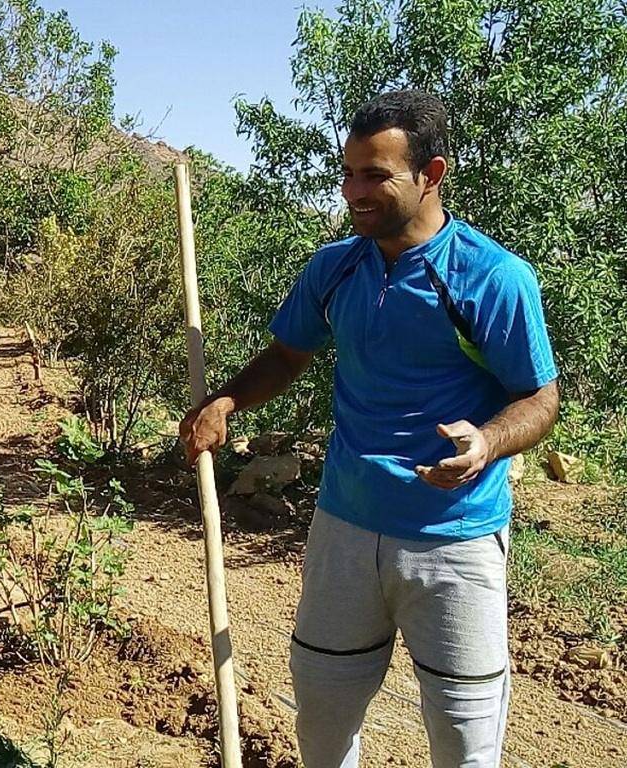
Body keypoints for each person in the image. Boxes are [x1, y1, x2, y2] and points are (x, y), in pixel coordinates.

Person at [180, 91, 559, 767]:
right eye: (349, 173)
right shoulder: (335, 267)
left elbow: (538, 398)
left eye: (375, 175)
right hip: (344, 530)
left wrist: (486, 442)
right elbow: (286, 355)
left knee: (465, 742)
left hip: (454, 540)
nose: (353, 191)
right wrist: (227, 402)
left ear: (430, 174)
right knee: (323, 727)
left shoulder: (492, 278)